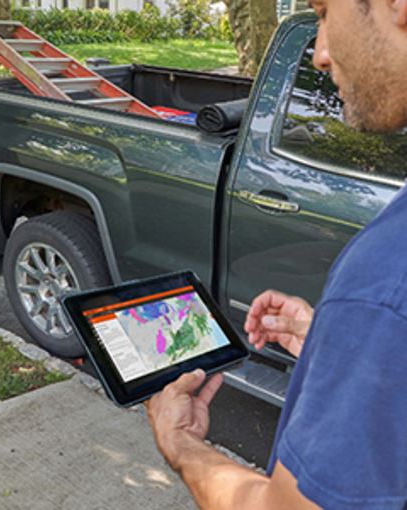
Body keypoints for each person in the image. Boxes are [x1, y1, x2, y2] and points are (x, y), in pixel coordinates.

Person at [146, 0, 407, 508]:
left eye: (326, 11)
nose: (320, 54)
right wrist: (337, 348)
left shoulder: (385, 281)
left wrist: (180, 445)